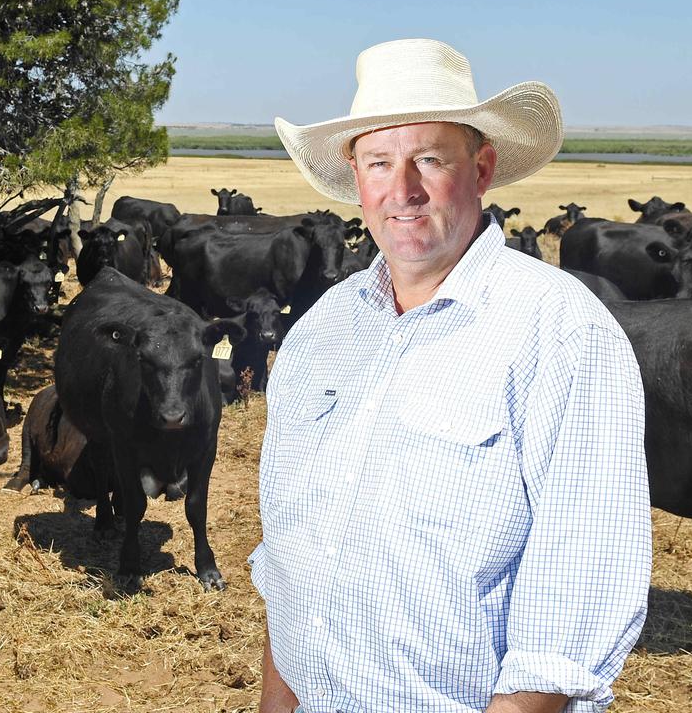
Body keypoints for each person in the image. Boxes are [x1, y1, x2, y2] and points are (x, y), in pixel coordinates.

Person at [249, 39, 651, 713]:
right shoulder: (323, 331)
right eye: (380, 162)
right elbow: (294, 563)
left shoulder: (559, 331)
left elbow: (577, 584)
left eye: (429, 160)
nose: (402, 190)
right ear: (356, 176)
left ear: (483, 168)